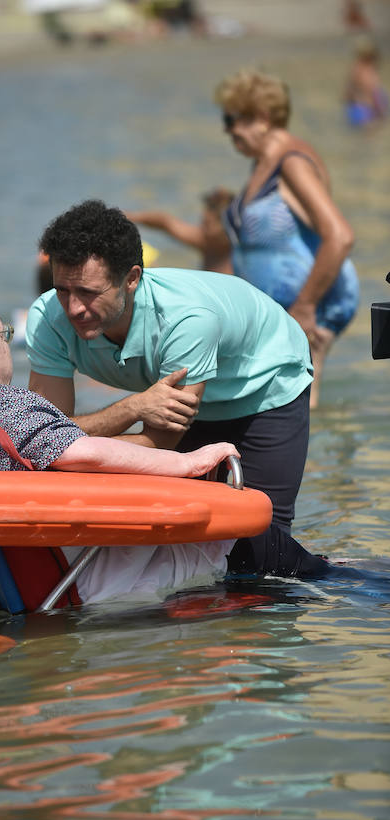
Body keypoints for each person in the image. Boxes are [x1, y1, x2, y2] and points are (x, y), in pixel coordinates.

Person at [26, 198, 333, 579]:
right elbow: (42, 437)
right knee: (180, 538)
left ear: (132, 278)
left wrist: (99, 431)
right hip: (170, 401)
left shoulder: (186, 319)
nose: (72, 308)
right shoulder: (46, 318)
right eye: (62, 290)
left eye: (88, 292)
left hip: (265, 384)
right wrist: (132, 407)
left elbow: (158, 445)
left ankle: (345, 582)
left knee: (257, 554)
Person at [0, 268, 240, 607]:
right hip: (79, 574)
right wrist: (188, 461)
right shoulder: (0, 405)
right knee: (246, 542)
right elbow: (83, 454)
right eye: (4, 334)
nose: (8, 340)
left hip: (15, 575)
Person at [214, 68, 360, 409]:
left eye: (231, 120)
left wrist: (305, 307)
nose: (228, 132)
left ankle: (324, 462)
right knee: (275, 412)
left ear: (261, 117)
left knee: (293, 412)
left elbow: (339, 236)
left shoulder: (292, 163)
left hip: (307, 310)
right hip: (280, 313)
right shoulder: (263, 163)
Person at [126, 187, 234, 274]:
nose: (202, 228)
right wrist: (131, 217)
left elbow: (164, 222)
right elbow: (164, 222)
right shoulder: (207, 240)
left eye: (208, 224)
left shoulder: (239, 245)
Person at [344, 36, 388, 129]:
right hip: (367, 110)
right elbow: (373, 93)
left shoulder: (355, 69)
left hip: (355, 110)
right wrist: (381, 112)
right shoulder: (368, 73)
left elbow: (347, 93)